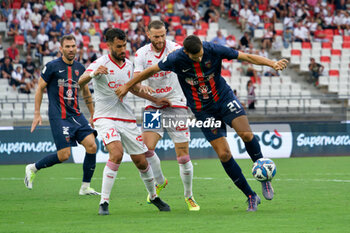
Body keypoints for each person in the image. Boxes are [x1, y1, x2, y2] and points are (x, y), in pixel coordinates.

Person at [116, 35, 288, 212]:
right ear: (186, 52)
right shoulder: (176, 58)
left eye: (200, 55)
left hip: (224, 99)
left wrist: (272, 64)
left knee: (246, 134)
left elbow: (246, 57)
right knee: (224, 155)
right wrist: (127, 86)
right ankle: (251, 196)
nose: (199, 58)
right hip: (203, 111)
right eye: (195, 56)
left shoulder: (213, 49)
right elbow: (149, 71)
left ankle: (264, 175)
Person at [78, 28, 171, 215]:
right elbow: (80, 82)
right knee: (117, 153)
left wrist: (155, 101)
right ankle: (104, 202)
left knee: (141, 161)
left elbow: (134, 89)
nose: (122, 49)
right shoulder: (100, 63)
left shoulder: (128, 65)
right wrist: (94, 74)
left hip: (126, 119)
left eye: (124, 46)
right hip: (104, 117)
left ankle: (153, 196)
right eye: (119, 46)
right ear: (109, 45)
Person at [133, 20, 200, 211]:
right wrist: (143, 89)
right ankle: (160, 181)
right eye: (156, 36)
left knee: (183, 157)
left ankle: (189, 196)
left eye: (163, 35)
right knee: (146, 149)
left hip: (176, 103)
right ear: (148, 35)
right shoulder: (141, 54)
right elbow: (136, 81)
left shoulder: (176, 49)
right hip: (153, 105)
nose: (160, 39)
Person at [24, 35, 100, 196]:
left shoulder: (80, 68)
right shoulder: (52, 66)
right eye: (67, 46)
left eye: (73, 46)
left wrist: (93, 114)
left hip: (76, 115)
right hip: (59, 116)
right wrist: (37, 113)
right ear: (61, 49)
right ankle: (33, 168)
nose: (71, 49)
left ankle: (85, 187)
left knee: (92, 146)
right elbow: (39, 89)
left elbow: (85, 92)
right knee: (64, 155)